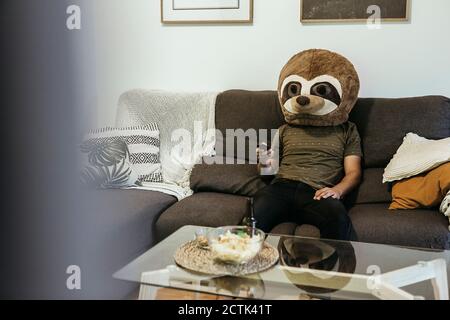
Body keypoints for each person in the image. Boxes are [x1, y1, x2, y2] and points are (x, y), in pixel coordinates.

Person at [253, 49, 363, 241]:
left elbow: (354, 173)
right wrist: (264, 160)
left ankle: (339, 270)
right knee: (255, 219)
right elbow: (267, 173)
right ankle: (245, 265)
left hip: (318, 192)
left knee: (338, 220)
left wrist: (337, 190)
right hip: (282, 187)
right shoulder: (285, 129)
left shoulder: (347, 129)